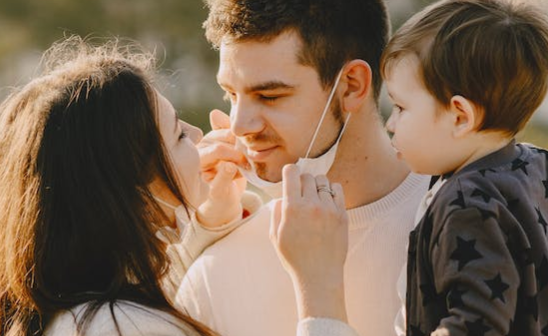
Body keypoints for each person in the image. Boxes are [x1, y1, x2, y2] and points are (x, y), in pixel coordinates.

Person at [272, 0, 548, 335]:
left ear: (460, 116)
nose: (391, 124)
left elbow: (477, 322)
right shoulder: (534, 165)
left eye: (402, 107)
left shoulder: (466, 202)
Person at [176, 0, 430, 335]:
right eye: (231, 95)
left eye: (269, 96)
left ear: (351, 85)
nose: (239, 125)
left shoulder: (469, 226)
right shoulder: (214, 269)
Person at [0, 36, 261, 336]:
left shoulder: (79, 312)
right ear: (138, 198)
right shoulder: (122, 327)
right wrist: (316, 303)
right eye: (179, 135)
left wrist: (209, 224)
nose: (199, 134)